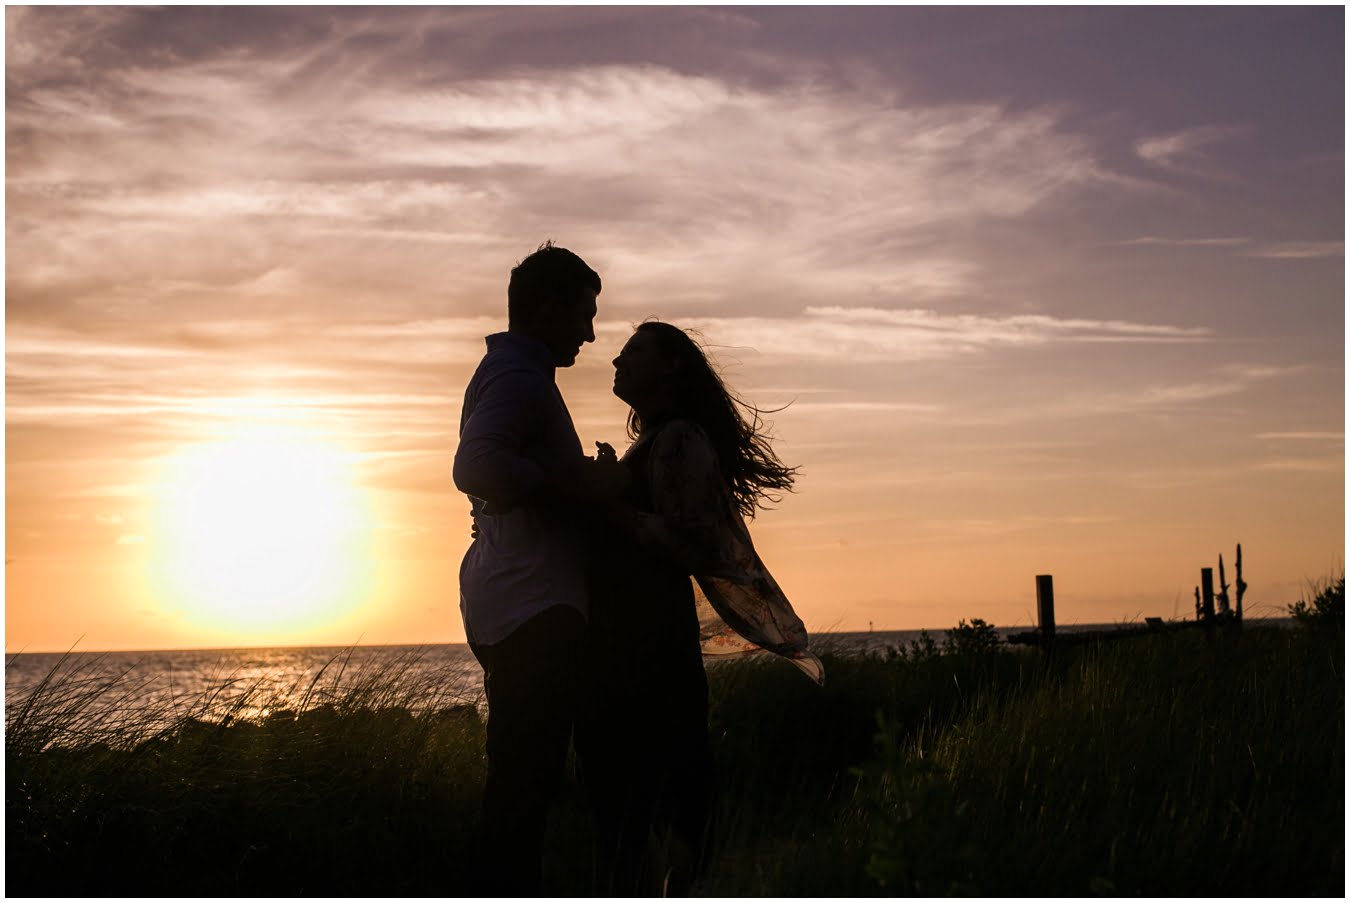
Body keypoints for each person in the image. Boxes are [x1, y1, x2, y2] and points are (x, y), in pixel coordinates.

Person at [576, 320, 824, 896]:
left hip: (649, 647)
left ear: (670, 367)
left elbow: (694, 541)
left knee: (654, 797)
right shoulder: (659, 439)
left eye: (633, 351)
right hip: (628, 642)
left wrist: (612, 508)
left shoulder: (682, 437)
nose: (616, 359)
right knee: (634, 799)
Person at [452, 241, 627, 896]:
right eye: (584, 314)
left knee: (524, 791)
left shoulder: (510, 374)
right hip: (533, 610)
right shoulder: (520, 379)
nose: (590, 332)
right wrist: (571, 483)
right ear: (551, 309)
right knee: (521, 796)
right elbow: (475, 467)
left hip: (517, 599)